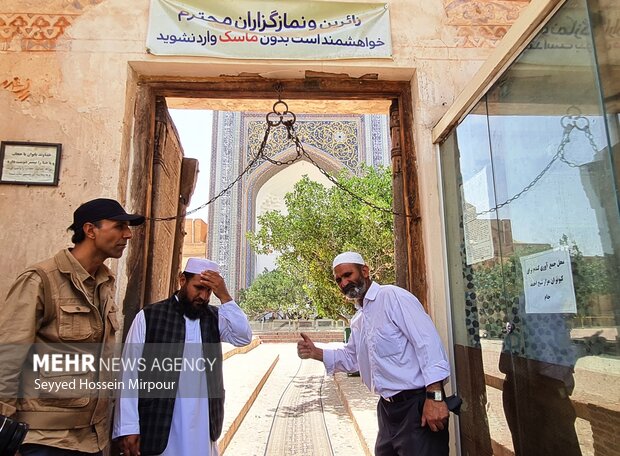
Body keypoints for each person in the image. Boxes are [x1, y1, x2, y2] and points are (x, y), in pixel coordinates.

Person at [0, 198, 145, 455]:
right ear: (90, 230)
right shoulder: (40, 279)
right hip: (45, 441)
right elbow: (8, 358)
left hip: (92, 440)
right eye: (119, 226)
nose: (128, 234)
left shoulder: (103, 284)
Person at [297, 252, 451, 456]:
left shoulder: (393, 297)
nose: (344, 282)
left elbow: (428, 344)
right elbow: (352, 359)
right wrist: (316, 353)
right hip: (387, 412)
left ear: (365, 271)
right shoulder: (358, 319)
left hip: (417, 406)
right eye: (339, 280)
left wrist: (435, 397)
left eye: (348, 274)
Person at [113, 258, 252, 456]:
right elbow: (129, 373)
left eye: (208, 291)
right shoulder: (149, 317)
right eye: (198, 288)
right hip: (160, 424)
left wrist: (225, 296)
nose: (203, 296)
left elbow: (243, 337)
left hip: (203, 425)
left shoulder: (214, 317)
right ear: (182, 280)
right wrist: (128, 427)